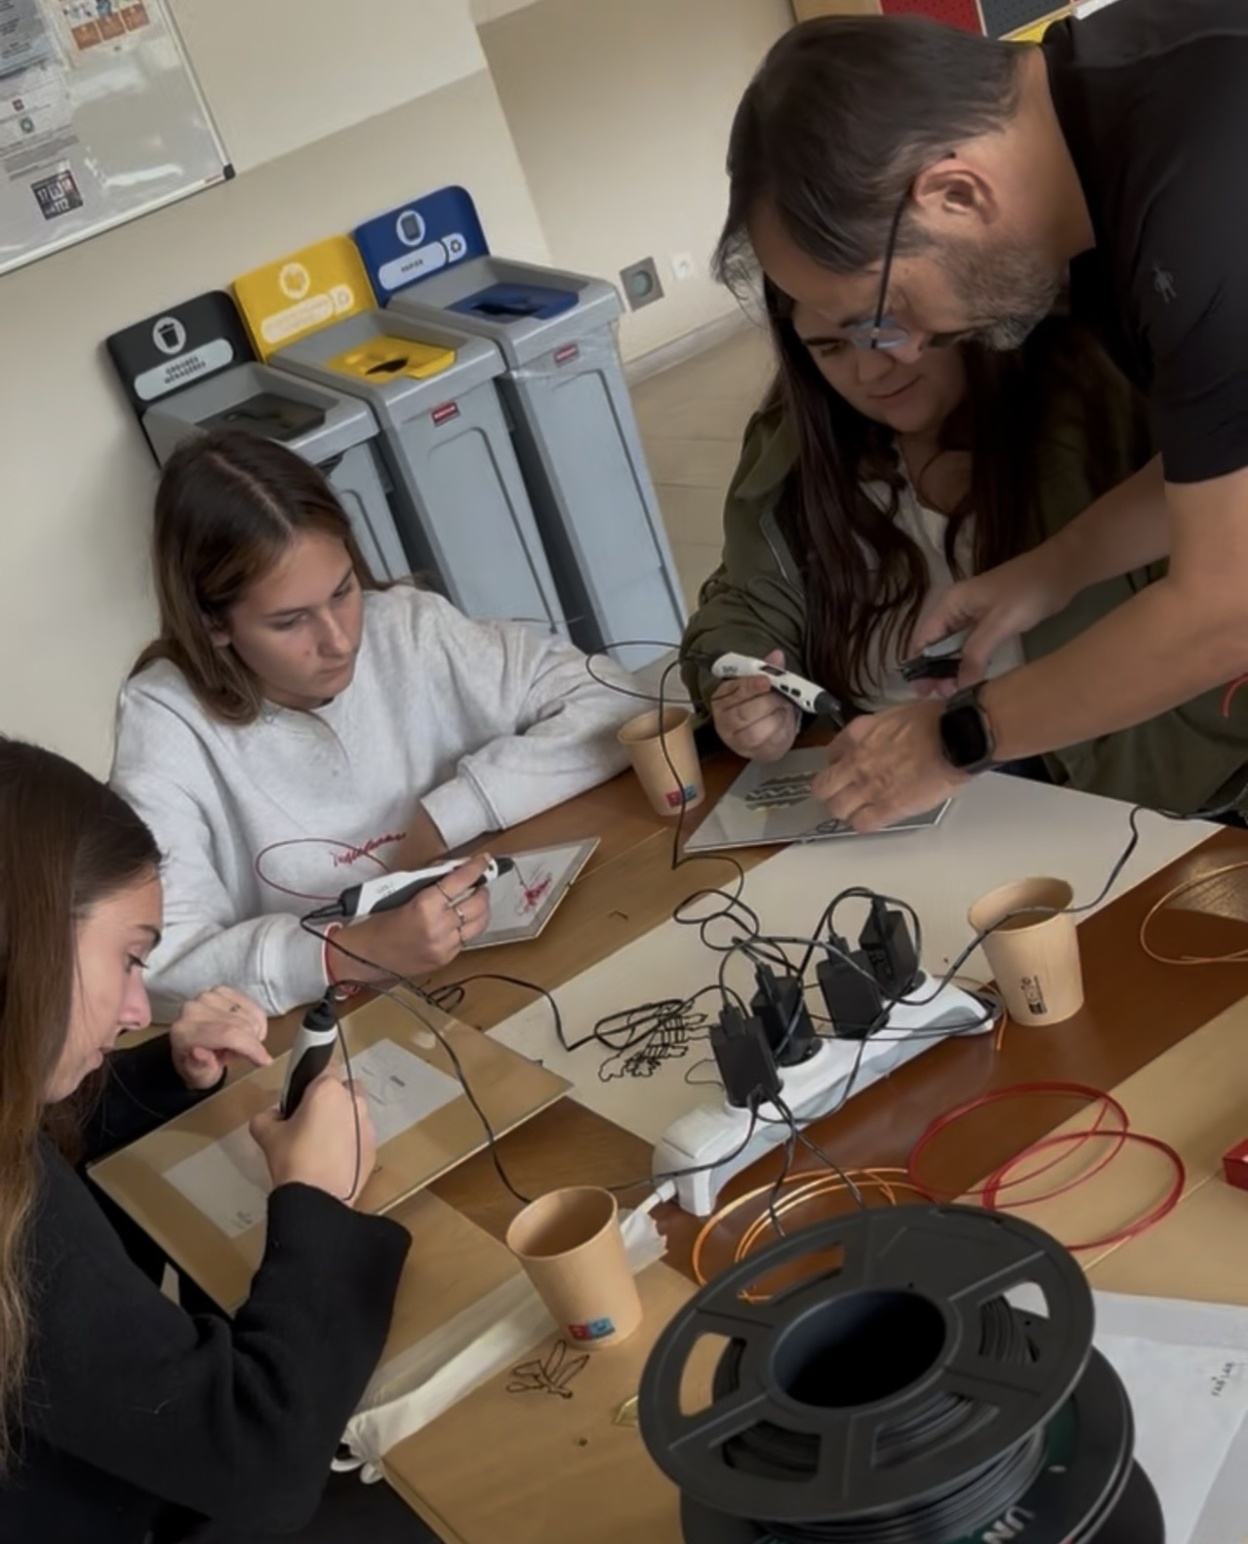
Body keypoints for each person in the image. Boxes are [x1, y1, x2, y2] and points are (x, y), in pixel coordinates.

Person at [0, 734, 593, 1544]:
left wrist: (154, 1078)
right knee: (519, 1446)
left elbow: (61, 1243)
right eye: (125, 964)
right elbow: (262, 1456)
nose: (131, 1003)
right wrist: (313, 1204)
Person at [714, 6, 1248, 830]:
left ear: (956, 193)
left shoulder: (1196, 187)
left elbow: (1224, 609)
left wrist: (959, 737)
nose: (898, 351)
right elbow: (1225, 450)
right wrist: (1056, 567)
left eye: (882, 312)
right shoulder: (1101, 164)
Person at [111, 429, 648, 1017]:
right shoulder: (165, 720)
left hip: (501, 966)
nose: (340, 641)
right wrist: (345, 953)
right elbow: (155, 964)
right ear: (213, 623)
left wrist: (447, 816)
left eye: (343, 591)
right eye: (290, 622)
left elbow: (619, 701)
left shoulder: (407, 629)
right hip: (332, 1024)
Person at [681, 285, 1245, 812]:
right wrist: (747, 685)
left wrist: (960, 739)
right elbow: (746, 600)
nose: (868, 370)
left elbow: (1216, 601)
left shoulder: (1091, 396)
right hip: (878, 766)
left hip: (1096, 779)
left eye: (880, 333)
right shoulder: (797, 442)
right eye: (828, 348)